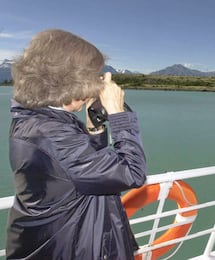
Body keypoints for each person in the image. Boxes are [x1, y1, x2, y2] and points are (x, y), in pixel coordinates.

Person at [6, 29, 147, 259]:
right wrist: (118, 114)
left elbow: (86, 174)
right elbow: (132, 172)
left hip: (69, 239)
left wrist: (95, 127)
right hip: (72, 248)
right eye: (91, 77)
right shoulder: (51, 133)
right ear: (70, 80)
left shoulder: (37, 119)